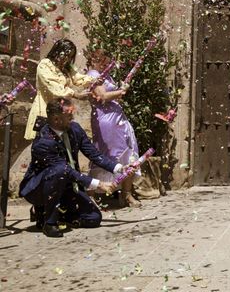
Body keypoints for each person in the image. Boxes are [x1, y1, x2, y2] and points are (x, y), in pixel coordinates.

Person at [19, 98, 122, 237]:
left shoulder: (74, 129)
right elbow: (66, 170)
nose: (72, 118)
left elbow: (93, 153)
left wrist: (119, 168)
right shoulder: (43, 142)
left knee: (93, 218)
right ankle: (49, 222)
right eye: (69, 116)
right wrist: (98, 184)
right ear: (56, 119)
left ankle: (62, 213)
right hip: (41, 188)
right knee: (60, 171)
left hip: (67, 185)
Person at [87, 49, 141, 208]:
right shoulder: (92, 74)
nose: (106, 63)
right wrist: (121, 91)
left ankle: (126, 194)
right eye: (102, 60)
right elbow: (102, 96)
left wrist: (119, 93)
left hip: (119, 119)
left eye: (107, 60)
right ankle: (91, 195)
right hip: (106, 120)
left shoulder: (106, 76)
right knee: (106, 154)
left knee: (129, 153)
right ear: (95, 60)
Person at [25, 39, 94, 140]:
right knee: (45, 144)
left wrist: (94, 80)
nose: (67, 59)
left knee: (60, 146)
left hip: (61, 111)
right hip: (45, 108)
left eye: (70, 57)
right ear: (57, 51)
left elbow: (78, 78)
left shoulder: (66, 68)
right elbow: (53, 87)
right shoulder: (45, 65)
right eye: (66, 55)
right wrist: (76, 95)